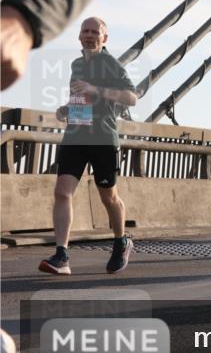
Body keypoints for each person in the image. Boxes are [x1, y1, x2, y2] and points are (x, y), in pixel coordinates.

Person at [39, 18, 137, 275]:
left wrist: (99, 89)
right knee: (62, 192)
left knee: (109, 197)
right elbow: (82, 99)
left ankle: (121, 241)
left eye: (96, 32)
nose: (90, 35)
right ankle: (62, 256)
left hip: (103, 139)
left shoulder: (111, 64)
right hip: (75, 137)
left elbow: (131, 97)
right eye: (86, 31)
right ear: (79, 36)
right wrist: (66, 108)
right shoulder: (77, 64)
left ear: (105, 38)